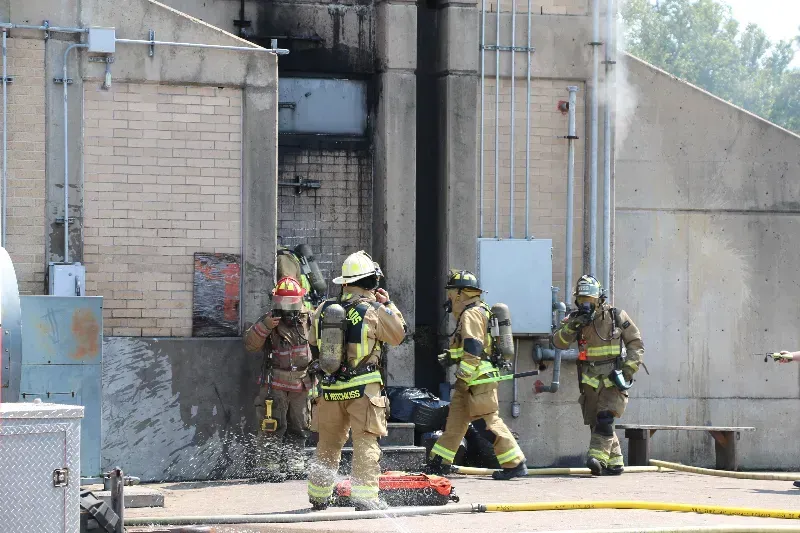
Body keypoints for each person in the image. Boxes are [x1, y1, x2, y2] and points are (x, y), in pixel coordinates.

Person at [306, 250, 407, 511]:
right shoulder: (374, 310)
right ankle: (364, 497)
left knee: (327, 443)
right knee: (365, 442)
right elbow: (398, 335)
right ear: (370, 282)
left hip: (329, 388)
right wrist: (389, 305)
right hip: (363, 389)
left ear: (346, 282)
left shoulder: (324, 308)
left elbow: (312, 342)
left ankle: (318, 495)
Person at [425, 269, 528, 481]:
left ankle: (515, 463)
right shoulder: (479, 311)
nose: (449, 297)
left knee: (487, 423)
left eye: (452, 292)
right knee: (455, 423)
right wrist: (452, 356)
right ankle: (440, 462)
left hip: (477, 380)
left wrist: (462, 377)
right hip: (472, 380)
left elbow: (473, 347)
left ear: (462, 294)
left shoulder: (471, 313)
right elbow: (472, 347)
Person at [552, 274, 645, 476]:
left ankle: (597, 459)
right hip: (589, 379)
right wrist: (574, 325)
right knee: (597, 421)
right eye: (582, 300)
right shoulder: (574, 320)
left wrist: (628, 370)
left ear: (599, 298)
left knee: (605, 418)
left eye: (590, 300)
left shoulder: (615, 316)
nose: (586, 304)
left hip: (613, 377)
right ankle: (615, 463)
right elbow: (558, 343)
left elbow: (635, 343)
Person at [244, 276, 315, 482]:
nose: (287, 309)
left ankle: (294, 464)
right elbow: (250, 344)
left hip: (301, 384)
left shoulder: (309, 319)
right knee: (271, 425)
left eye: (291, 303)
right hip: (274, 384)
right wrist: (266, 326)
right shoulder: (269, 320)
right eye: (283, 303)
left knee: (299, 426)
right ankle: (268, 466)